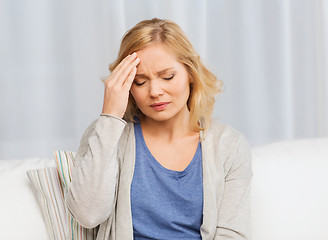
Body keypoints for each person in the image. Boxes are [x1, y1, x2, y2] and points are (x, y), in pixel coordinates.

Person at [66, 18, 252, 240]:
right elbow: (88, 215)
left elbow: (233, 234)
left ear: (191, 73)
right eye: (140, 82)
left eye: (167, 77)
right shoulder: (108, 133)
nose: (155, 91)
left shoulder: (229, 145)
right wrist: (110, 116)